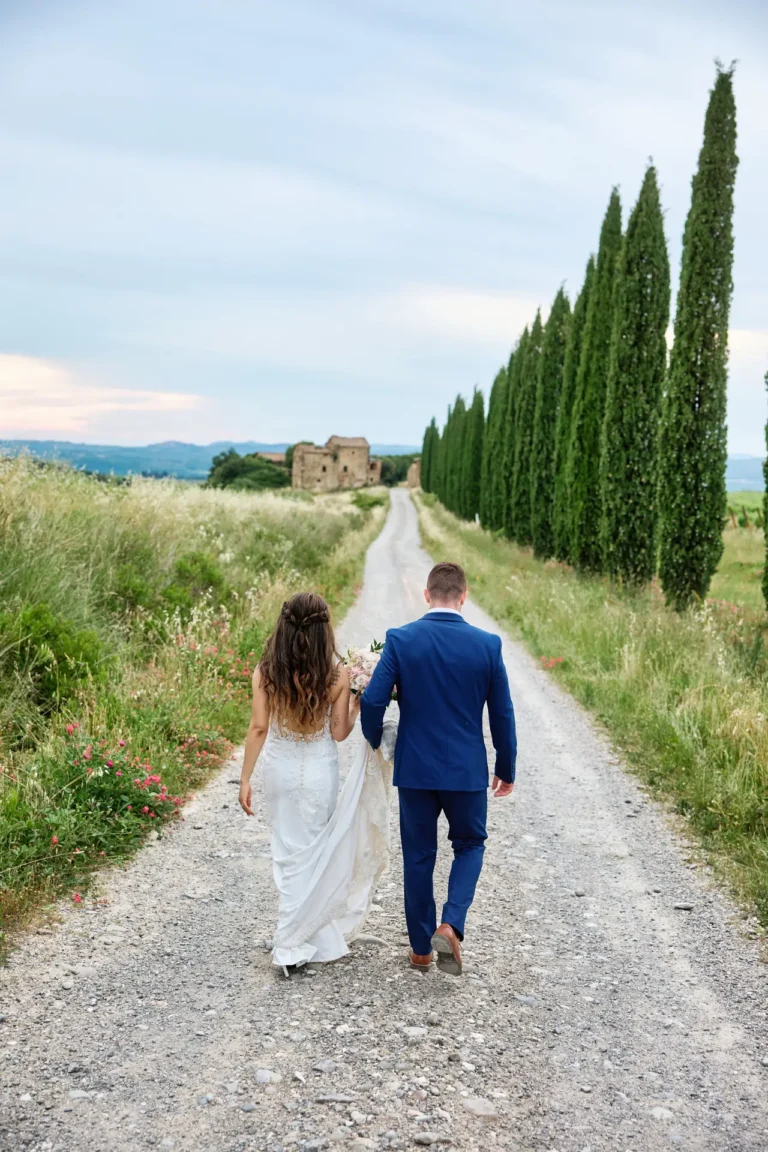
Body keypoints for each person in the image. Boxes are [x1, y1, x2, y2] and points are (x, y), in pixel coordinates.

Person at [360, 562, 517, 976]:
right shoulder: (487, 645)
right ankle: (451, 924)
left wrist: (377, 738)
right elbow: (502, 713)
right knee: (469, 845)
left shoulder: (401, 639)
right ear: (464, 596)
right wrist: (506, 765)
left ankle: (420, 951)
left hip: (415, 769)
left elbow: (374, 700)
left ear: (426, 595)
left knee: (418, 855)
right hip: (465, 771)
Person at [239, 592, 392, 975]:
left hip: (281, 769)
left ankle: (291, 936)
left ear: (284, 626)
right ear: (325, 629)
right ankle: (300, 936)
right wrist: (355, 707)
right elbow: (339, 733)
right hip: (319, 769)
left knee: (288, 850)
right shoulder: (337, 673)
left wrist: (245, 778)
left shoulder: (266, 671)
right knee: (314, 848)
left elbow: (259, 728)